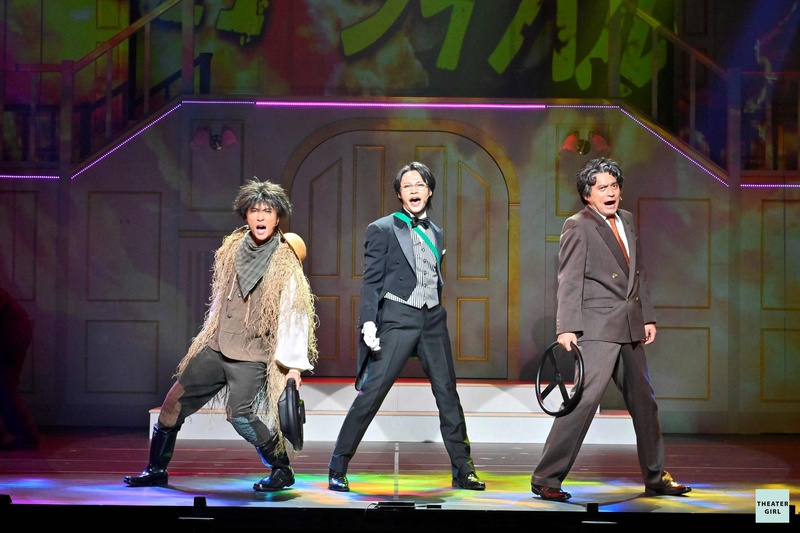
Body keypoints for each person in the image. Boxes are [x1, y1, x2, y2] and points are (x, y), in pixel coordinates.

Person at [124, 178, 318, 491]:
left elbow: (295, 316)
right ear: (246, 215)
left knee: (239, 415)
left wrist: (294, 367)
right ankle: (156, 469)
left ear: (277, 217)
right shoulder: (233, 248)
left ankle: (282, 470)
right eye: (254, 210)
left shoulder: (285, 263)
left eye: (267, 211)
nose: (260, 217)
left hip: (251, 354)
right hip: (217, 347)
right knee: (173, 403)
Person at [530, 157, 691, 501]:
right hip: (597, 326)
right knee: (583, 401)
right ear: (587, 195)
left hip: (629, 325)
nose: (610, 193)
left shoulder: (627, 219)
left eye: (614, 186)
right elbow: (569, 279)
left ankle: (655, 476)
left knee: (645, 403)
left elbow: (638, 271)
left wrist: (647, 316)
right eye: (602, 187)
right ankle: (546, 477)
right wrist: (567, 327)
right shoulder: (578, 225)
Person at [327, 161, 485, 492]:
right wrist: (368, 322)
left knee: (447, 394)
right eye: (407, 186)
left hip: (432, 319)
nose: (414, 190)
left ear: (430, 191)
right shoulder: (382, 228)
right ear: (399, 194)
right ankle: (337, 466)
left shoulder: (436, 231)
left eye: (420, 185)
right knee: (372, 392)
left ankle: (464, 469)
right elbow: (371, 282)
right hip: (398, 317)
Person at [0, 287, 41, 450]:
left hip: (10, 330)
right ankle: (22, 434)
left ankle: (24, 435)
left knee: (5, 386)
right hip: (12, 328)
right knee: (5, 386)